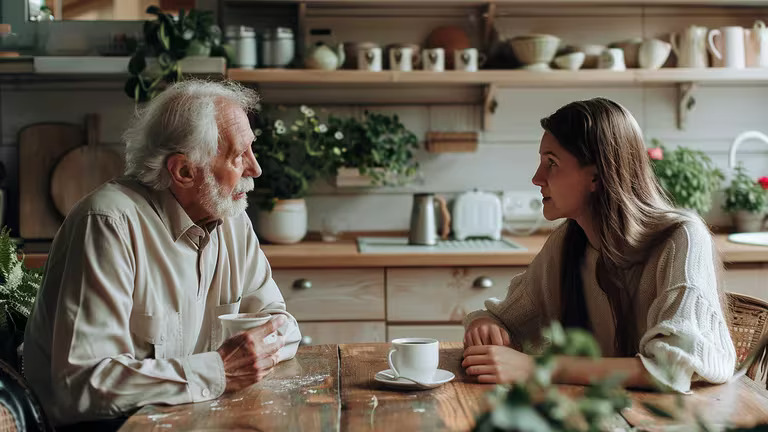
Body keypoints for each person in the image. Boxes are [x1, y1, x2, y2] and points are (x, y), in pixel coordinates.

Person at [24, 79, 302, 428]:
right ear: (183, 171)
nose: (255, 169)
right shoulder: (109, 223)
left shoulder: (231, 217)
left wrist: (257, 349)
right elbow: (83, 386)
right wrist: (219, 370)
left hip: (183, 419)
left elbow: (279, 322)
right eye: (238, 156)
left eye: (251, 149)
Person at [462, 97, 735, 393]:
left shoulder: (682, 238)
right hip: (605, 412)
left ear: (596, 176)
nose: (536, 178)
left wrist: (537, 367)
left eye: (551, 163)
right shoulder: (568, 241)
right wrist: (486, 325)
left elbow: (670, 368)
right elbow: (506, 320)